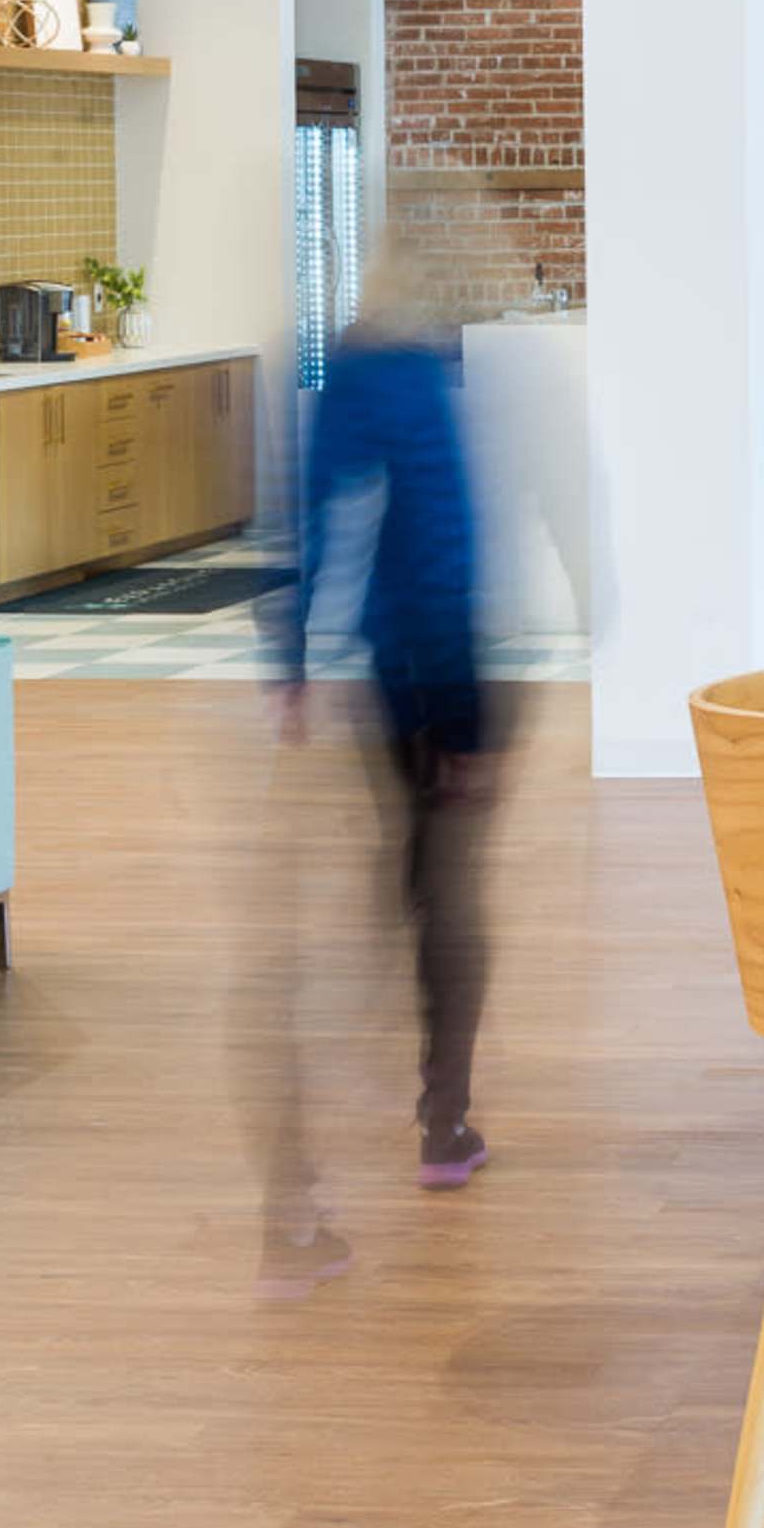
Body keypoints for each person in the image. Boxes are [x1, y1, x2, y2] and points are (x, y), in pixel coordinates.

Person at [261, 232, 504, 1292]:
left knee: (411, 869)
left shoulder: (347, 373)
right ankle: (440, 1119)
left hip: (375, 661)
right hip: (434, 664)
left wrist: (294, 663)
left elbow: (307, 518)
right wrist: (465, 717)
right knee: (448, 890)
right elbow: (444, 541)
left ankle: (398, 1099)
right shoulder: (418, 376)